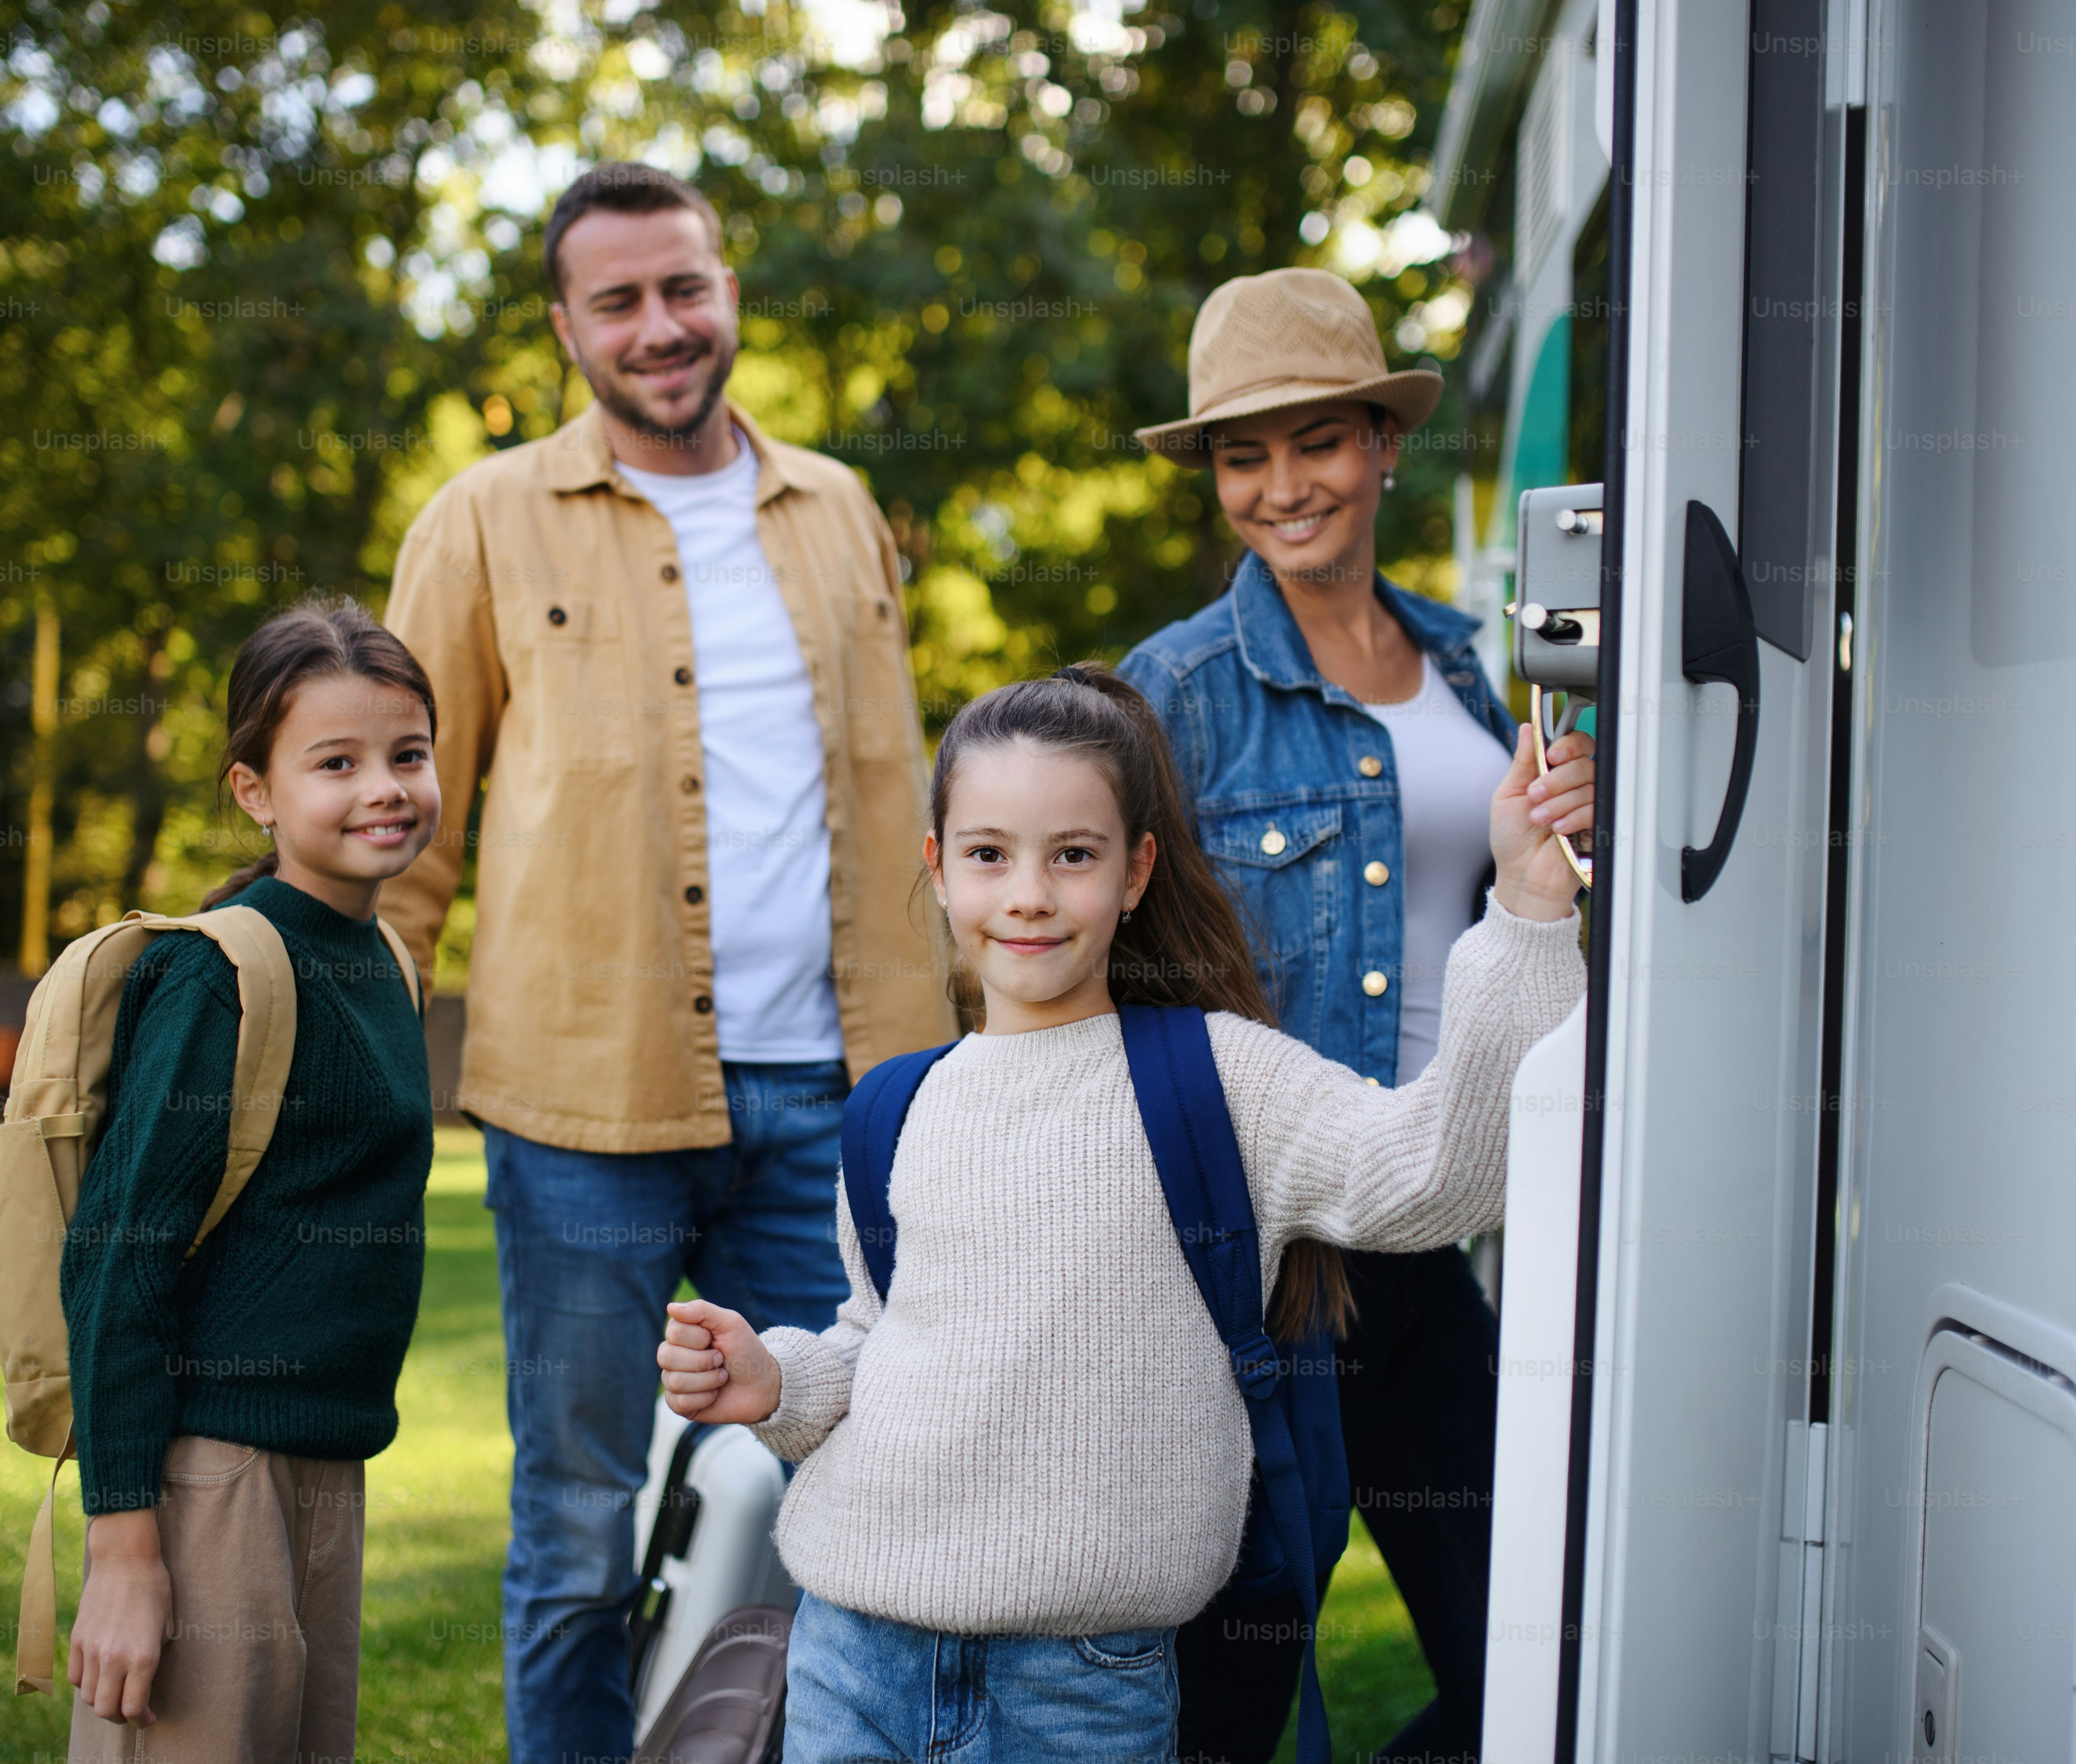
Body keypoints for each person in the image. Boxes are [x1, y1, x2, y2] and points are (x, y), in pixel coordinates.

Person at [654, 664, 1594, 1764]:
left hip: (1082, 1687)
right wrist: (779, 1381)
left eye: (1075, 855)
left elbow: (1443, 1172)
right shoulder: (893, 1108)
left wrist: (1528, 907)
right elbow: (880, 1341)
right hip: (854, 1656)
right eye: (989, 853)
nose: (1029, 895)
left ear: (1137, 870)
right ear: (939, 865)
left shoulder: (1219, 1081)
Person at [374, 162, 956, 1764]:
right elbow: (405, 816)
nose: (659, 326)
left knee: (847, 1484)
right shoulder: (480, 518)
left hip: (836, 1102)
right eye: (617, 300)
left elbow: (898, 788)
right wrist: (348, 1053)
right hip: (581, 1106)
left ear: (729, 291)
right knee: (575, 1522)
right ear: (565, 326)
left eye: (682, 287)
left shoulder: (838, 508)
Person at [1119, 265, 1586, 1764]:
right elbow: (1112, 975)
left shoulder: (1474, 660)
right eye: (1241, 456)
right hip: (1271, 1261)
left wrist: (1583, 828)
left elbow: (1530, 912)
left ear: (1383, 448)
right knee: (1244, 1687)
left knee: (1533, 1649)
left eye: (1316, 441)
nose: (1280, 487)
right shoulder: (1172, 694)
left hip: (1438, 1226)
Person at [60, 598, 444, 1758]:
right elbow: (116, 1259)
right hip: (209, 1481)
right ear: (255, 791)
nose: (384, 786)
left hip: (328, 1463)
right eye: (337, 762)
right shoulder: (219, 971)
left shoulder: (383, 957)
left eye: (408, 755)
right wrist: (125, 1552)